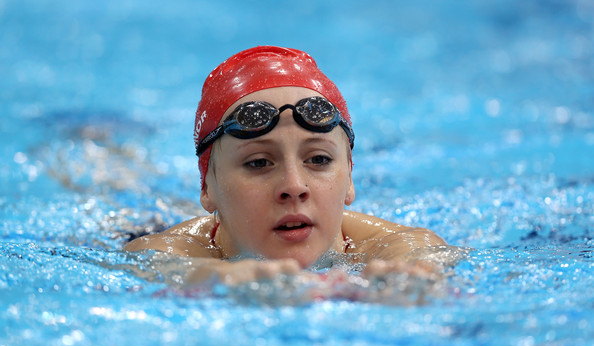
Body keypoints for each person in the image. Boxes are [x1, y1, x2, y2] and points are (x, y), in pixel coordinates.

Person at [125, 46, 447, 288]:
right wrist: (216, 278)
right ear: (207, 187)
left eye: (319, 159)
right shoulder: (174, 249)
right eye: (259, 163)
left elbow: (424, 259)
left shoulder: (391, 246)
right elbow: (155, 264)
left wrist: (416, 280)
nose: (294, 186)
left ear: (349, 177)